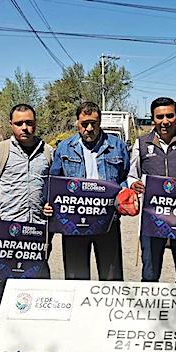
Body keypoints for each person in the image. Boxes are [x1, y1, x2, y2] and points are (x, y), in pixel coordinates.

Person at [0, 104, 53, 342]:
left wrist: (50, 205)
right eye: (20, 123)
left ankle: (36, 326)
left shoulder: (48, 153)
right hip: (7, 227)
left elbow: (54, 187)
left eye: (29, 122)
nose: (25, 127)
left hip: (38, 229)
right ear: (11, 124)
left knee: (38, 278)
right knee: (1, 279)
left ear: (36, 123)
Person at [48, 101, 129, 281]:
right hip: (73, 223)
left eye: (94, 123)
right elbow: (55, 182)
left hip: (107, 221)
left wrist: (125, 195)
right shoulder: (64, 148)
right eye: (85, 124)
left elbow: (124, 177)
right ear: (77, 123)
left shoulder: (117, 146)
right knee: (76, 278)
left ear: (100, 123)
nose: (89, 128)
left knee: (111, 278)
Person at [129, 97, 176, 283]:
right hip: (152, 219)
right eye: (160, 116)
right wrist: (133, 184)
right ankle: (148, 311)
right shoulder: (140, 144)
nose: (165, 121)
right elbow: (132, 175)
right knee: (149, 274)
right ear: (153, 118)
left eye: (169, 116)